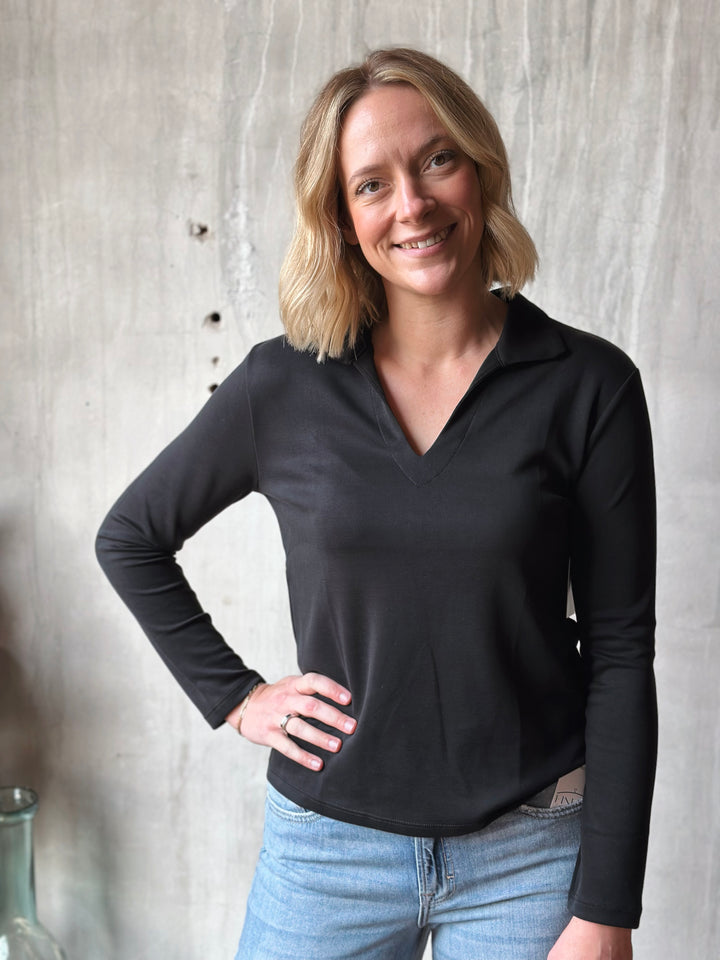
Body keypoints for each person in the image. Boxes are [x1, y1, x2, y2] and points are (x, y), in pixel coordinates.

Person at [96, 48, 657, 960]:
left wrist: (607, 911)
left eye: (437, 160)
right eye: (371, 185)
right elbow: (131, 537)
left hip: (529, 857)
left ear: (480, 170)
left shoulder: (589, 386)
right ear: (342, 218)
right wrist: (237, 698)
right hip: (325, 855)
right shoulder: (283, 385)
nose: (412, 204)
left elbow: (622, 652)